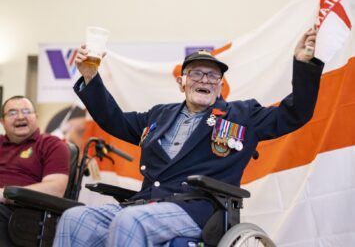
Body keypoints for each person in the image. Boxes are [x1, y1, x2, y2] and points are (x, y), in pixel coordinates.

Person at [54, 27, 324, 247]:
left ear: (220, 86)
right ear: (181, 82)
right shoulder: (159, 115)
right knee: (74, 218)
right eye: (196, 73)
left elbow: (295, 113)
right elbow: (114, 120)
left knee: (130, 222)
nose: (204, 80)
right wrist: (90, 77)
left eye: (212, 75)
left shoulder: (242, 115)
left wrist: (303, 65)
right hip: (146, 203)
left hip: (197, 209)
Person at [0, 95, 70, 247]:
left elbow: (56, 189)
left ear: (35, 116)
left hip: (24, 215)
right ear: (2, 121)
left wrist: (4, 194)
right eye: (12, 113)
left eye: (26, 111)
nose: (20, 117)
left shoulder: (52, 145)